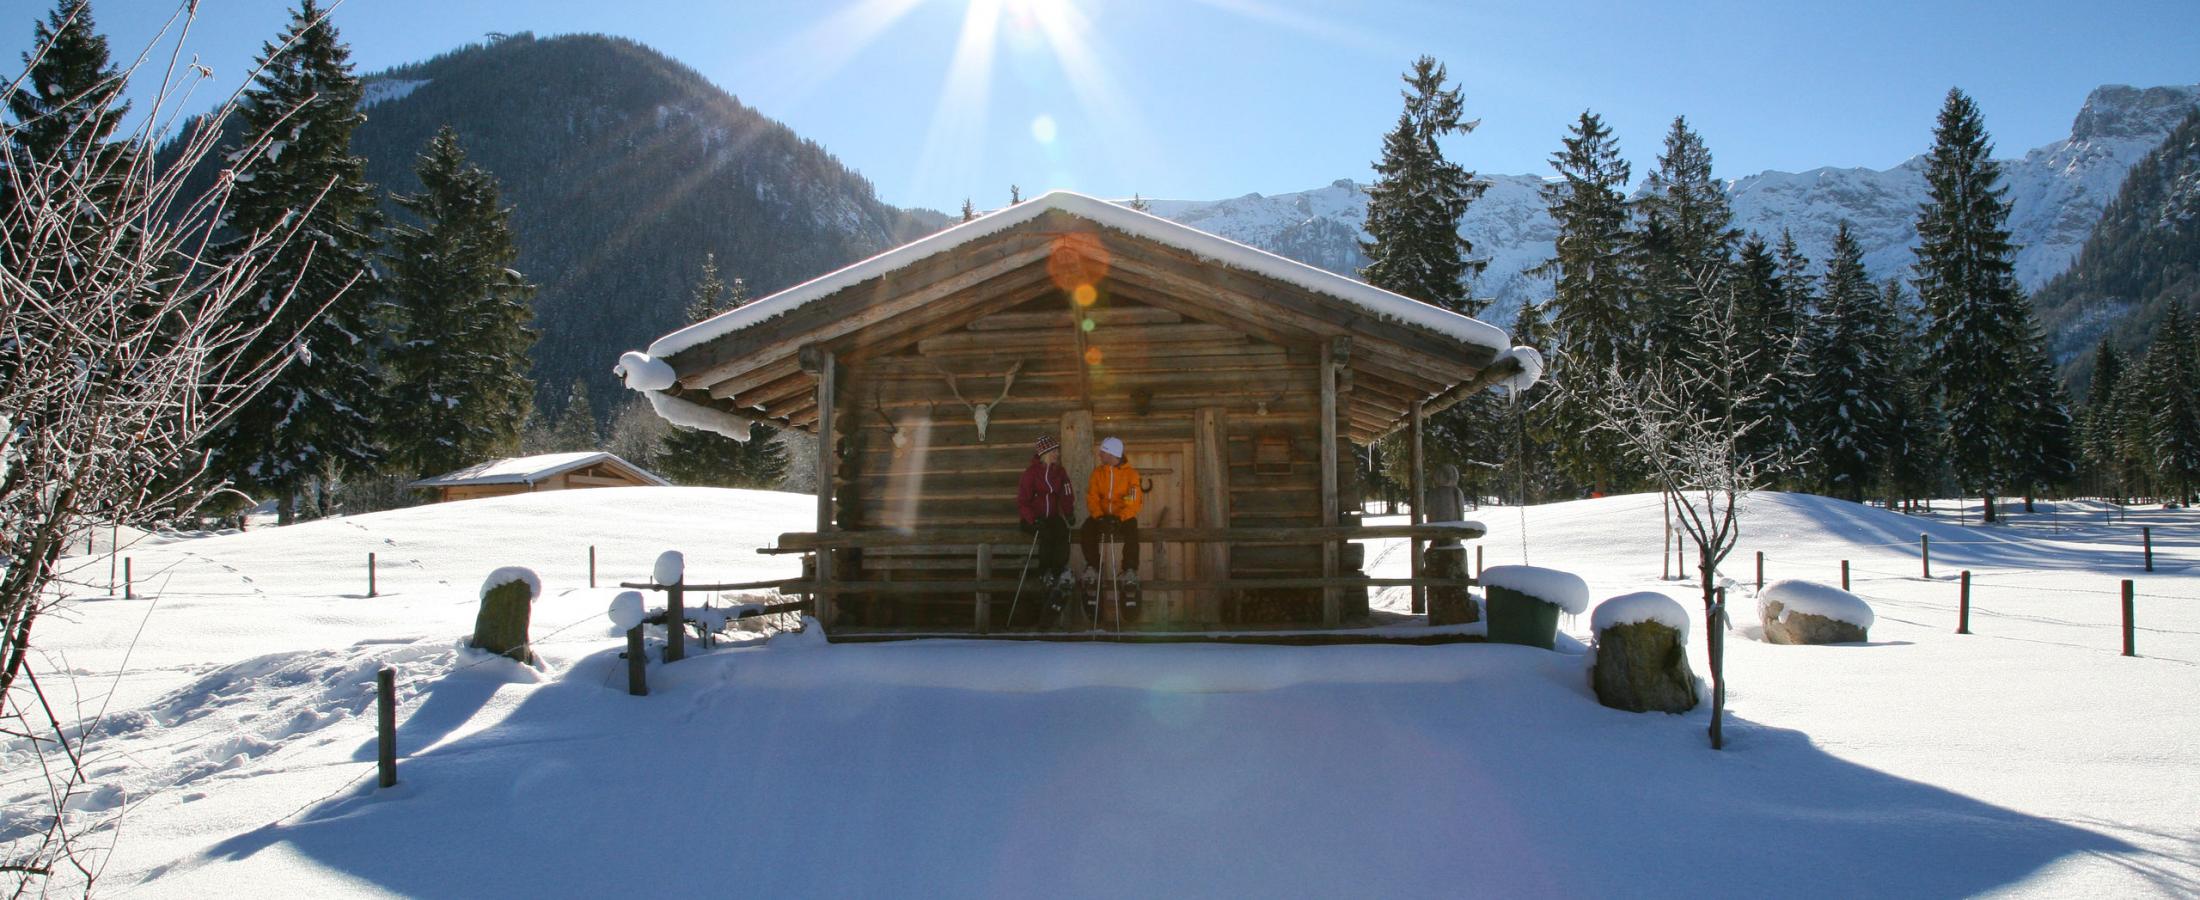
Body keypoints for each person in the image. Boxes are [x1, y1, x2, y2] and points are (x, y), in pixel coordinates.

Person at [1079, 436, 1142, 588]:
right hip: (1102, 516)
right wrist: (1099, 517)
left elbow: (1133, 500)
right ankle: (1093, 567)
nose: (1099, 454)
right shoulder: (1098, 473)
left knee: (1132, 528)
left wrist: (1120, 518)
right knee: (1087, 528)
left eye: (1103, 451)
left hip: (1121, 517)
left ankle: (1129, 570)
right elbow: (1092, 497)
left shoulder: (1131, 475)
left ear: (1112, 454)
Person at [1016, 433, 1074, 591]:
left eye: (1057, 450)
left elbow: (1066, 493)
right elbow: (1023, 501)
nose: (1057, 454)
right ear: (1045, 453)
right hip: (1033, 519)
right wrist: (1032, 519)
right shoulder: (1031, 473)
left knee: (1062, 531)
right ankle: (1044, 571)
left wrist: (1068, 512)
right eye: (1054, 451)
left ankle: (1057, 571)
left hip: (1052, 517)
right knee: (1047, 534)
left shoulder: (1059, 472)